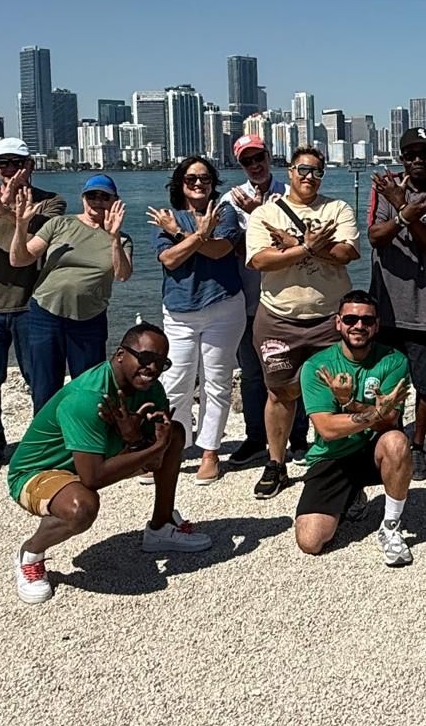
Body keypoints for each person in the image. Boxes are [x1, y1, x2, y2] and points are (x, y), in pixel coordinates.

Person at [6, 323, 213, 605]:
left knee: (174, 433)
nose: (152, 368)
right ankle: (30, 554)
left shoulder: (151, 390)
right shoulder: (88, 398)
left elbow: (155, 459)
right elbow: (92, 478)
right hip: (39, 471)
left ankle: (161, 526)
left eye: (161, 363)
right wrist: (152, 445)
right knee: (82, 507)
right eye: (145, 358)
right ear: (119, 355)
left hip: (96, 461)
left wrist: (135, 437)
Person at [245, 144, 361, 500]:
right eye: (302, 169)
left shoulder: (336, 208)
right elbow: (261, 260)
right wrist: (308, 248)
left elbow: (347, 254)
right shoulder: (265, 213)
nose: (309, 177)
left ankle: (338, 460)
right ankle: (276, 462)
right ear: (290, 171)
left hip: (329, 318)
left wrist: (295, 244)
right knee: (280, 393)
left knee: (338, 390)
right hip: (279, 319)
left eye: (316, 171)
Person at [0, 138, 65, 476]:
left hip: (34, 303)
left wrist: (6, 211)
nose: (10, 169)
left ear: (30, 165)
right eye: (3, 163)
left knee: (43, 379)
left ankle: (42, 444)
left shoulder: (51, 202)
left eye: (16, 162)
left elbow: (42, 234)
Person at [367, 126, 426, 481]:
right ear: (401, 157)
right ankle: (390, 439)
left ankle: (418, 445)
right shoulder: (384, 185)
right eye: (411, 154)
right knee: (384, 383)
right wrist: (403, 209)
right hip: (386, 305)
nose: (418, 160)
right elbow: (375, 238)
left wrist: (402, 208)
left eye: (425, 154)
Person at [295, 291, 415, 566]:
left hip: (374, 450)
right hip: (332, 455)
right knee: (311, 542)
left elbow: (390, 421)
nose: (358, 326)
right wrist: (372, 410)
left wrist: (348, 402)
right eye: (350, 319)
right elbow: (327, 429)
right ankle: (351, 496)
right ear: (338, 323)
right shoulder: (318, 365)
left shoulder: (394, 360)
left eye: (366, 320)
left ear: (376, 324)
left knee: (397, 442)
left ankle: (391, 526)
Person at [148, 155, 246, 485]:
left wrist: (180, 234)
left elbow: (220, 251)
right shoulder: (168, 216)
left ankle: (209, 452)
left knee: (216, 383)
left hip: (224, 306)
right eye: (191, 179)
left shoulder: (225, 212)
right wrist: (193, 235)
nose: (199, 184)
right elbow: (170, 261)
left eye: (204, 178)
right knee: (175, 383)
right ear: (181, 184)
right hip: (179, 311)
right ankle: (167, 448)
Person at [9, 173, 133, 412]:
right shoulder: (60, 224)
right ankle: (46, 446)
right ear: (82, 198)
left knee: (88, 390)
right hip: (46, 315)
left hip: (89, 320)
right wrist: (20, 224)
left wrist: (114, 236)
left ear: (114, 201)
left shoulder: (123, 238)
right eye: (91, 195)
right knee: (45, 388)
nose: (97, 200)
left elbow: (122, 274)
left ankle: (84, 444)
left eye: (104, 196)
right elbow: (19, 259)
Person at [219, 135, 306, 468]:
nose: (255, 166)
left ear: (270, 157)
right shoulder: (230, 199)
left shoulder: (289, 192)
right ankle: (256, 436)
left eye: (259, 158)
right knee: (253, 374)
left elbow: (300, 242)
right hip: (247, 300)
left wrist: (259, 215)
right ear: (240, 165)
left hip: (286, 300)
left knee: (292, 372)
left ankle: (298, 437)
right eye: (247, 161)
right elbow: (238, 249)